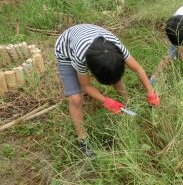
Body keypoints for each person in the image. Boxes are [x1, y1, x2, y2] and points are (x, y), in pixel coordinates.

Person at [55, 24, 160, 156]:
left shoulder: (116, 48)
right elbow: (86, 86)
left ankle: (127, 105)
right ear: (92, 71)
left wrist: (151, 93)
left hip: (91, 36)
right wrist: (107, 101)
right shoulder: (81, 57)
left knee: (115, 76)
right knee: (76, 98)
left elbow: (138, 69)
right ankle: (82, 139)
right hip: (66, 50)